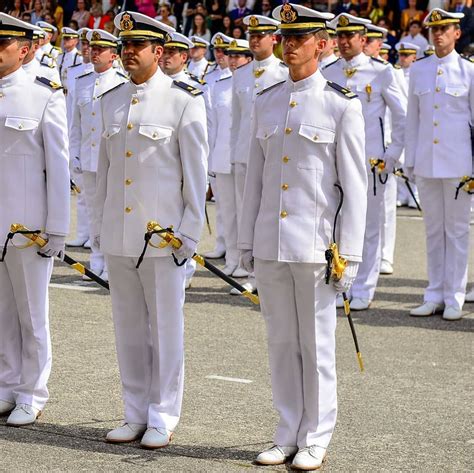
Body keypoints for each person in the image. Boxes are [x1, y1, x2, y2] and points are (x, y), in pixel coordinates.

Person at [238, 4, 367, 469]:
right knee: (281, 342)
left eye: (301, 37)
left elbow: (356, 188)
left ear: (323, 44)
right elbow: (254, 178)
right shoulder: (267, 100)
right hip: (272, 241)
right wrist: (247, 240)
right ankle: (286, 430)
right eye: (285, 37)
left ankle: (316, 435)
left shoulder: (340, 103)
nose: (290, 44)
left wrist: (348, 255)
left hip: (316, 245)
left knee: (316, 344)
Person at [93, 11, 208, 447]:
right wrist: (100, 229)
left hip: (162, 238)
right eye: (124, 46)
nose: (128, 53)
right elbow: (104, 173)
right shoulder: (111, 100)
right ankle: (134, 411)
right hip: (121, 234)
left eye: (137, 46)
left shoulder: (184, 99)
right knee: (127, 328)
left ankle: (163, 414)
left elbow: (195, 179)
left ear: (159, 51)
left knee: (165, 328)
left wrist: (189, 237)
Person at [0, 12, 70, 426]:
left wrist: (57, 228)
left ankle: (32, 391)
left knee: (32, 313)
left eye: (2, 44)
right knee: (3, 312)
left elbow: (58, 166)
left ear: (25, 50)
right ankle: (7, 384)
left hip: (28, 226)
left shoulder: (44, 93)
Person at [322, 13, 407, 311]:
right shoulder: (328, 71)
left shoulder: (381, 72)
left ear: (363, 39)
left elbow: (402, 115)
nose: (344, 42)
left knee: (369, 228)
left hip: (370, 163)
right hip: (334, 161)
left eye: (350, 37)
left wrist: (391, 155)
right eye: (340, 37)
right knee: (335, 224)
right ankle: (338, 283)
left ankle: (364, 289)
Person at [405, 8, 473, 321]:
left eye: (445, 29)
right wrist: (411, 160)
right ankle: (434, 293)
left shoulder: (468, 72)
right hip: (427, 164)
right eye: (434, 29)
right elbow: (413, 120)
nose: (438, 34)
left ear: (457, 33)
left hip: (459, 165)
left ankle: (455, 296)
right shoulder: (419, 70)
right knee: (433, 231)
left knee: (457, 232)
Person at [230, 14, 288, 291]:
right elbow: (236, 120)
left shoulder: (283, 72)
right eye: (251, 35)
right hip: (244, 153)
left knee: (271, 212)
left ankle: (268, 274)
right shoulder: (240, 73)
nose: (254, 39)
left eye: (260, 35)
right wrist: (233, 152)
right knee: (245, 212)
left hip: (270, 152)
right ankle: (250, 270)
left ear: (274, 38)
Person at [69, 29, 128, 283]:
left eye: (100, 49)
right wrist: (74, 156)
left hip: (111, 160)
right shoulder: (81, 81)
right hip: (88, 157)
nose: (94, 52)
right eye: (92, 48)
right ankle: (96, 260)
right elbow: (76, 125)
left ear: (113, 56)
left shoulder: (121, 82)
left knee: (112, 212)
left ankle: (112, 261)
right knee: (94, 212)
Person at [206, 38, 252, 276]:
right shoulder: (220, 83)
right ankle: (232, 259)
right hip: (223, 154)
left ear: (249, 58)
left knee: (246, 211)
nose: (232, 60)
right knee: (227, 211)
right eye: (230, 55)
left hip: (245, 155)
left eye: (238, 56)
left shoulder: (255, 81)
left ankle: (246, 262)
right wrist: (211, 157)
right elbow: (212, 125)